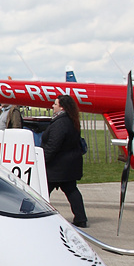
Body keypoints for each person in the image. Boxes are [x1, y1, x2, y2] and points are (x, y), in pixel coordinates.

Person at [42, 94, 88, 227]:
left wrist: (43, 160)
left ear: (61, 107)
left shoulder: (60, 123)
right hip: (68, 165)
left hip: (58, 165)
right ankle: (81, 218)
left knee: (42, 192)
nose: (53, 106)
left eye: (55, 104)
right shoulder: (70, 120)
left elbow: (53, 145)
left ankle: (35, 215)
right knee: (71, 190)